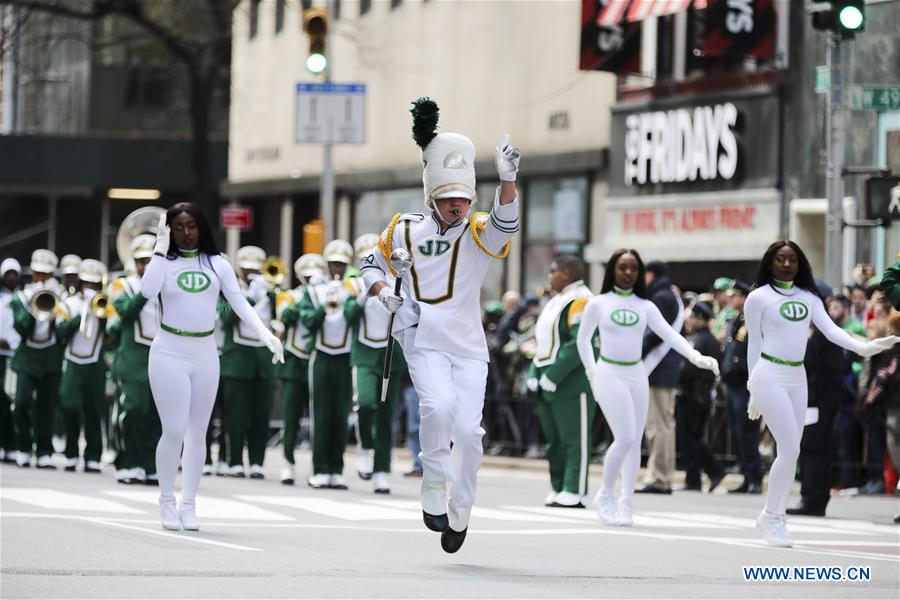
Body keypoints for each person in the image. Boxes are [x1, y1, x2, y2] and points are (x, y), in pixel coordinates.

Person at [361, 97, 521, 553]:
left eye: (463, 198)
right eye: (448, 198)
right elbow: (371, 263)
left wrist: (507, 180)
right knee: (437, 408)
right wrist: (383, 293)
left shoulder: (477, 231)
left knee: (470, 432)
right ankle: (433, 481)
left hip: (469, 343)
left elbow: (505, 223)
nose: (456, 205)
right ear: (432, 196)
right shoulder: (404, 227)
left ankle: (462, 508)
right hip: (421, 335)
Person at [743, 240, 899, 547]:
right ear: (770, 263)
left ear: (800, 264)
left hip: (796, 376)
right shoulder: (757, 298)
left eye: (792, 260)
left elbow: (832, 330)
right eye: (780, 259)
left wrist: (864, 347)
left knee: (794, 450)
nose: (787, 264)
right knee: (789, 449)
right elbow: (754, 346)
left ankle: (774, 517)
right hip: (769, 374)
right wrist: (752, 389)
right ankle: (772, 516)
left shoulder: (810, 297)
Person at [141, 203, 284, 531]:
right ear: (169, 231)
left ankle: (189, 504)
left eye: (191, 225)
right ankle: (166, 500)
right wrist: (160, 250)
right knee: (174, 429)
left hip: (205, 353)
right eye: (178, 227)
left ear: (201, 228)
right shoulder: (164, 263)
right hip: (168, 352)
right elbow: (146, 291)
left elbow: (239, 303)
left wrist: (265, 334)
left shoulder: (217, 263)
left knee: (197, 433)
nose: (186, 233)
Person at [576, 249, 720, 526]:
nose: (628, 273)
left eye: (633, 268)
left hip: (636, 374)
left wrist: (696, 357)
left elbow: (670, 335)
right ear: (613, 271)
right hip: (609, 373)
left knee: (634, 442)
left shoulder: (646, 306)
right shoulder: (598, 303)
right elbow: (583, 340)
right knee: (626, 437)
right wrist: (592, 371)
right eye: (622, 267)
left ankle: (626, 501)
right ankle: (605, 494)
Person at [529, 255, 595, 507]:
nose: (550, 276)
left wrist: (554, 375)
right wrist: (535, 374)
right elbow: (543, 343)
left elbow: (579, 341)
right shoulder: (557, 300)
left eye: (553, 271)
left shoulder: (581, 299)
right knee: (553, 440)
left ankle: (573, 488)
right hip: (548, 377)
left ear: (566, 273)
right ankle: (558, 486)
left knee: (574, 438)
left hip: (572, 379)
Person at [346, 233, 407, 494]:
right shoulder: (354, 283)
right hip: (364, 353)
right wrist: (365, 295)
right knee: (367, 403)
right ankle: (364, 447)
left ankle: (382, 469)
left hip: (390, 354)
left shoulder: (398, 280)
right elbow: (348, 314)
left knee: (386, 414)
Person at [299, 239, 355, 490]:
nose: (337, 269)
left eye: (341, 265)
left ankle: (337, 469)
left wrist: (347, 298)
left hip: (344, 358)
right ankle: (320, 468)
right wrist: (325, 305)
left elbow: (357, 318)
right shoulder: (313, 291)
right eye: (333, 264)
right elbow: (308, 321)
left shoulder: (353, 289)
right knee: (321, 415)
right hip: (321, 357)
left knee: (340, 416)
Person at [218, 245, 276, 479]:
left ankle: (257, 461)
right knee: (235, 416)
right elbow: (226, 317)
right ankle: (234, 461)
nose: (250, 274)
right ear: (238, 269)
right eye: (246, 269)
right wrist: (250, 297)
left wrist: (271, 295)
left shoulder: (270, 290)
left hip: (263, 361)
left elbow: (283, 318)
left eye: (255, 269)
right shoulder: (230, 290)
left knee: (261, 416)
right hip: (237, 360)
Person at [108, 234, 161, 485]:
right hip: (132, 360)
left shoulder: (165, 285)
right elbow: (126, 312)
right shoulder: (121, 284)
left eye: (150, 260)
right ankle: (127, 461)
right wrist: (146, 289)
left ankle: (149, 464)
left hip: (160, 359)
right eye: (141, 261)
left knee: (156, 415)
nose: (145, 265)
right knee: (133, 411)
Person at [10, 249, 65, 469]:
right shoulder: (20, 298)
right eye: (38, 273)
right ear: (32, 273)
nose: (41, 278)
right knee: (22, 402)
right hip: (27, 356)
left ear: (52, 275)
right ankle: (24, 447)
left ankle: (44, 451)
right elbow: (21, 328)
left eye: (46, 274)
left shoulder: (61, 297)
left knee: (47, 405)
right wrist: (35, 308)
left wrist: (58, 307)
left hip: (50, 356)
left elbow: (64, 331)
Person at [276, 253, 326, 485]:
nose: (309, 279)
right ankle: (288, 464)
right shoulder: (291, 295)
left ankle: (318, 466)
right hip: (295, 362)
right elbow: (285, 316)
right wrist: (306, 298)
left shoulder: (324, 295)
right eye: (305, 276)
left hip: (317, 359)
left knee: (318, 418)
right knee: (291, 417)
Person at [57, 259, 109, 473]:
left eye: (94, 284)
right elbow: (59, 331)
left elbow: (113, 332)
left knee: (94, 409)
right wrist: (79, 315)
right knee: (69, 406)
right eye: (86, 283)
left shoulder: (105, 305)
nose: (89, 288)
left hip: (95, 362)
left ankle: (93, 456)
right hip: (72, 360)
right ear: (79, 283)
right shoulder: (67, 304)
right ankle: (70, 453)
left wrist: (100, 309)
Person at [638, 259, 683, 495]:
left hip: (660, 369)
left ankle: (659, 477)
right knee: (663, 424)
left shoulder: (662, 298)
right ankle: (662, 477)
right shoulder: (668, 295)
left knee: (658, 425)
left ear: (651, 275)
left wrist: (636, 351)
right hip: (664, 369)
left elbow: (655, 334)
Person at [676, 301, 725, 493]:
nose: (689, 320)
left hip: (692, 393)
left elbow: (688, 368)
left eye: (693, 317)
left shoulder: (699, 340)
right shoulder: (710, 340)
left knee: (689, 438)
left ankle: (706, 473)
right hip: (702, 393)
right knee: (694, 437)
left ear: (701, 319)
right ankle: (697, 476)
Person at [720, 280, 762, 494]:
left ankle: (755, 477)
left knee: (748, 432)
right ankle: (746, 475)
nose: (731, 299)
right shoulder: (736, 321)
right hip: (732, 383)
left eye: (736, 295)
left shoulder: (751, 322)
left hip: (745, 383)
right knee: (737, 433)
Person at [0, 258, 22, 462]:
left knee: (13, 404)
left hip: (16, 356)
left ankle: (12, 446)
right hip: (0, 356)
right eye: (8, 274)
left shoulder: (24, 298)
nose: (12, 277)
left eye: (15, 274)